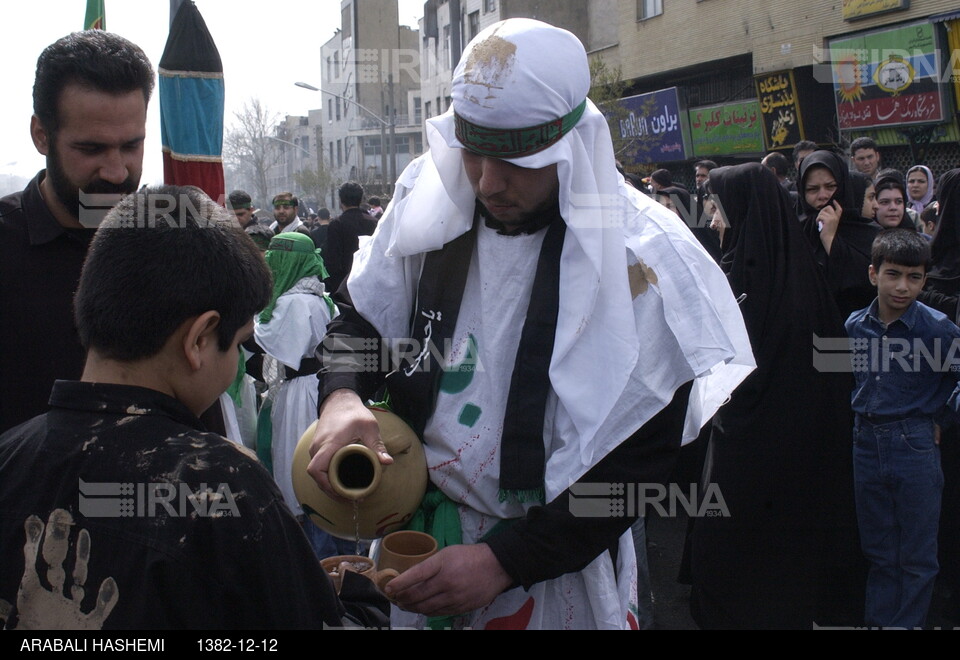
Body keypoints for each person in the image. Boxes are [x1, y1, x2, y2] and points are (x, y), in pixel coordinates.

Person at [307, 18, 753, 630]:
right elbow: (361, 320)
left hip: (552, 571)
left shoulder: (640, 257)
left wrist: (504, 560)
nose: (489, 184)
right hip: (418, 543)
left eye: (517, 162)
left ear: (567, 148)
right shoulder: (430, 197)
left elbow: (643, 468)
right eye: (474, 155)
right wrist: (342, 398)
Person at [0, 186, 388, 629]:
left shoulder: (9, 458)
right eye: (239, 345)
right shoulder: (223, 488)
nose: (234, 365)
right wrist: (365, 599)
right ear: (200, 339)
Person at [689, 162, 864, 629]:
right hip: (751, 452)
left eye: (718, 207)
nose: (713, 219)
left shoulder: (780, 289)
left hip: (762, 458)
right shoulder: (755, 272)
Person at [0, 30, 153, 434]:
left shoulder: (166, 243)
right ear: (41, 136)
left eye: (131, 146)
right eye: (91, 149)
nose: (117, 172)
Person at [846, 228, 960, 629]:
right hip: (865, 442)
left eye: (914, 277)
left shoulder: (938, 329)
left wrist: (942, 418)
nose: (903, 286)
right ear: (874, 273)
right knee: (879, 551)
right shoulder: (856, 326)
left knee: (916, 556)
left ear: (925, 280)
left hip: (914, 444)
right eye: (893, 274)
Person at [253, 231, 352, 559]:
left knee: (302, 475)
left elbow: (274, 346)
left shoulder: (294, 302)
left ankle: (320, 560)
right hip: (320, 390)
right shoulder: (319, 296)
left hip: (301, 395)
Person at [798, 150, 880, 319]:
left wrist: (830, 240)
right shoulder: (795, 232)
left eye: (830, 187)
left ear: (843, 186)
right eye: (813, 189)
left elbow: (870, 284)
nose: (823, 196)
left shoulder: (870, 234)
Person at [324, 181, 377, 294]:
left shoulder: (337, 224)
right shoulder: (374, 223)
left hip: (344, 287)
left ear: (340, 201)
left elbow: (332, 261)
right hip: (370, 284)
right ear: (361, 199)